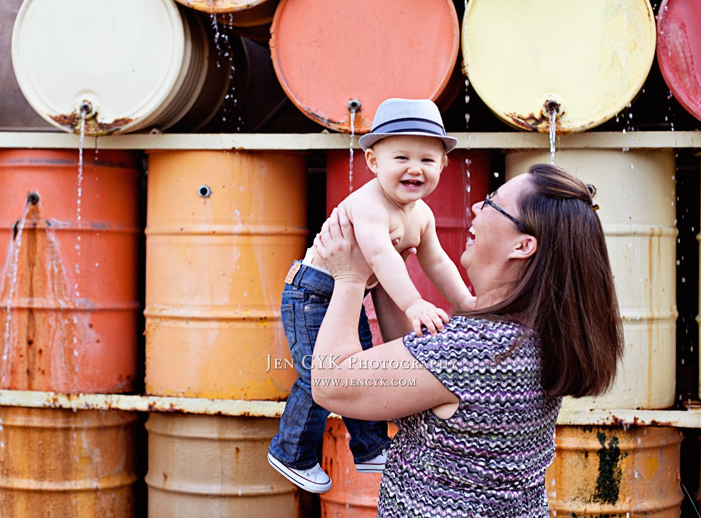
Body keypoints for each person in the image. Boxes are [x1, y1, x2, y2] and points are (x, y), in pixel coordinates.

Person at [310, 163, 623, 517]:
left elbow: (331, 384)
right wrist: (382, 276)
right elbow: (415, 384)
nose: (476, 207)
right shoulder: (531, 335)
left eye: (492, 202)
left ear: (523, 245)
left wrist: (350, 277)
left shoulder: (475, 351)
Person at [267, 98, 476, 494]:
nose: (415, 168)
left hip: (348, 292)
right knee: (322, 370)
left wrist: (465, 302)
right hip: (312, 291)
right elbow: (380, 257)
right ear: (373, 161)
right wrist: (413, 303)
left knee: (361, 367)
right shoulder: (369, 205)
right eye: (401, 157)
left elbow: (438, 262)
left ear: (443, 166)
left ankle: (369, 446)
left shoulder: (422, 213)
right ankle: (291, 452)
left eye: (428, 160)